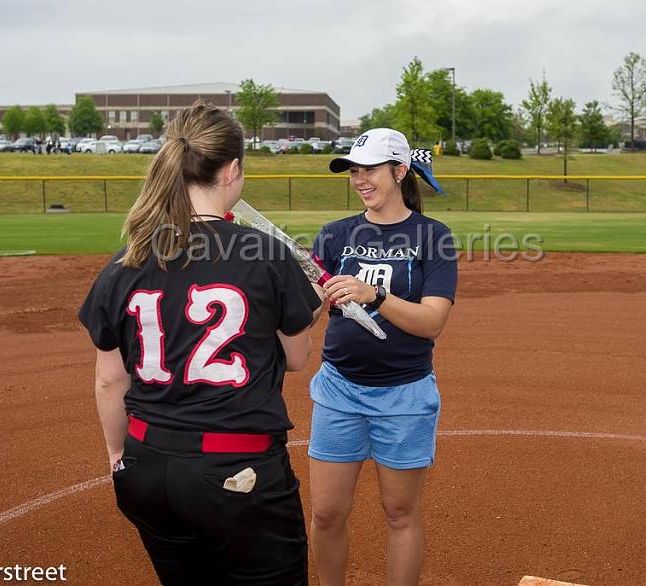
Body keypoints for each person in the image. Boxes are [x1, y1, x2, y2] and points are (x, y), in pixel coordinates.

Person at [78, 102, 324, 585]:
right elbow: (296, 359)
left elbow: (111, 381)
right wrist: (309, 308)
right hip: (239, 471)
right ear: (231, 170)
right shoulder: (265, 255)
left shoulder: (125, 260)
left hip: (148, 466)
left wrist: (117, 455)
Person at [308, 128, 457, 586]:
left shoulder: (433, 236)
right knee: (326, 513)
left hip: (404, 394)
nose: (359, 179)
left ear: (399, 169)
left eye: (369, 168)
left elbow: (432, 322)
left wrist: (374, 295)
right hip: (339, 390)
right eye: (354, 170)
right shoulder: (335, 235)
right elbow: (311, 307)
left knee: (399, 513)